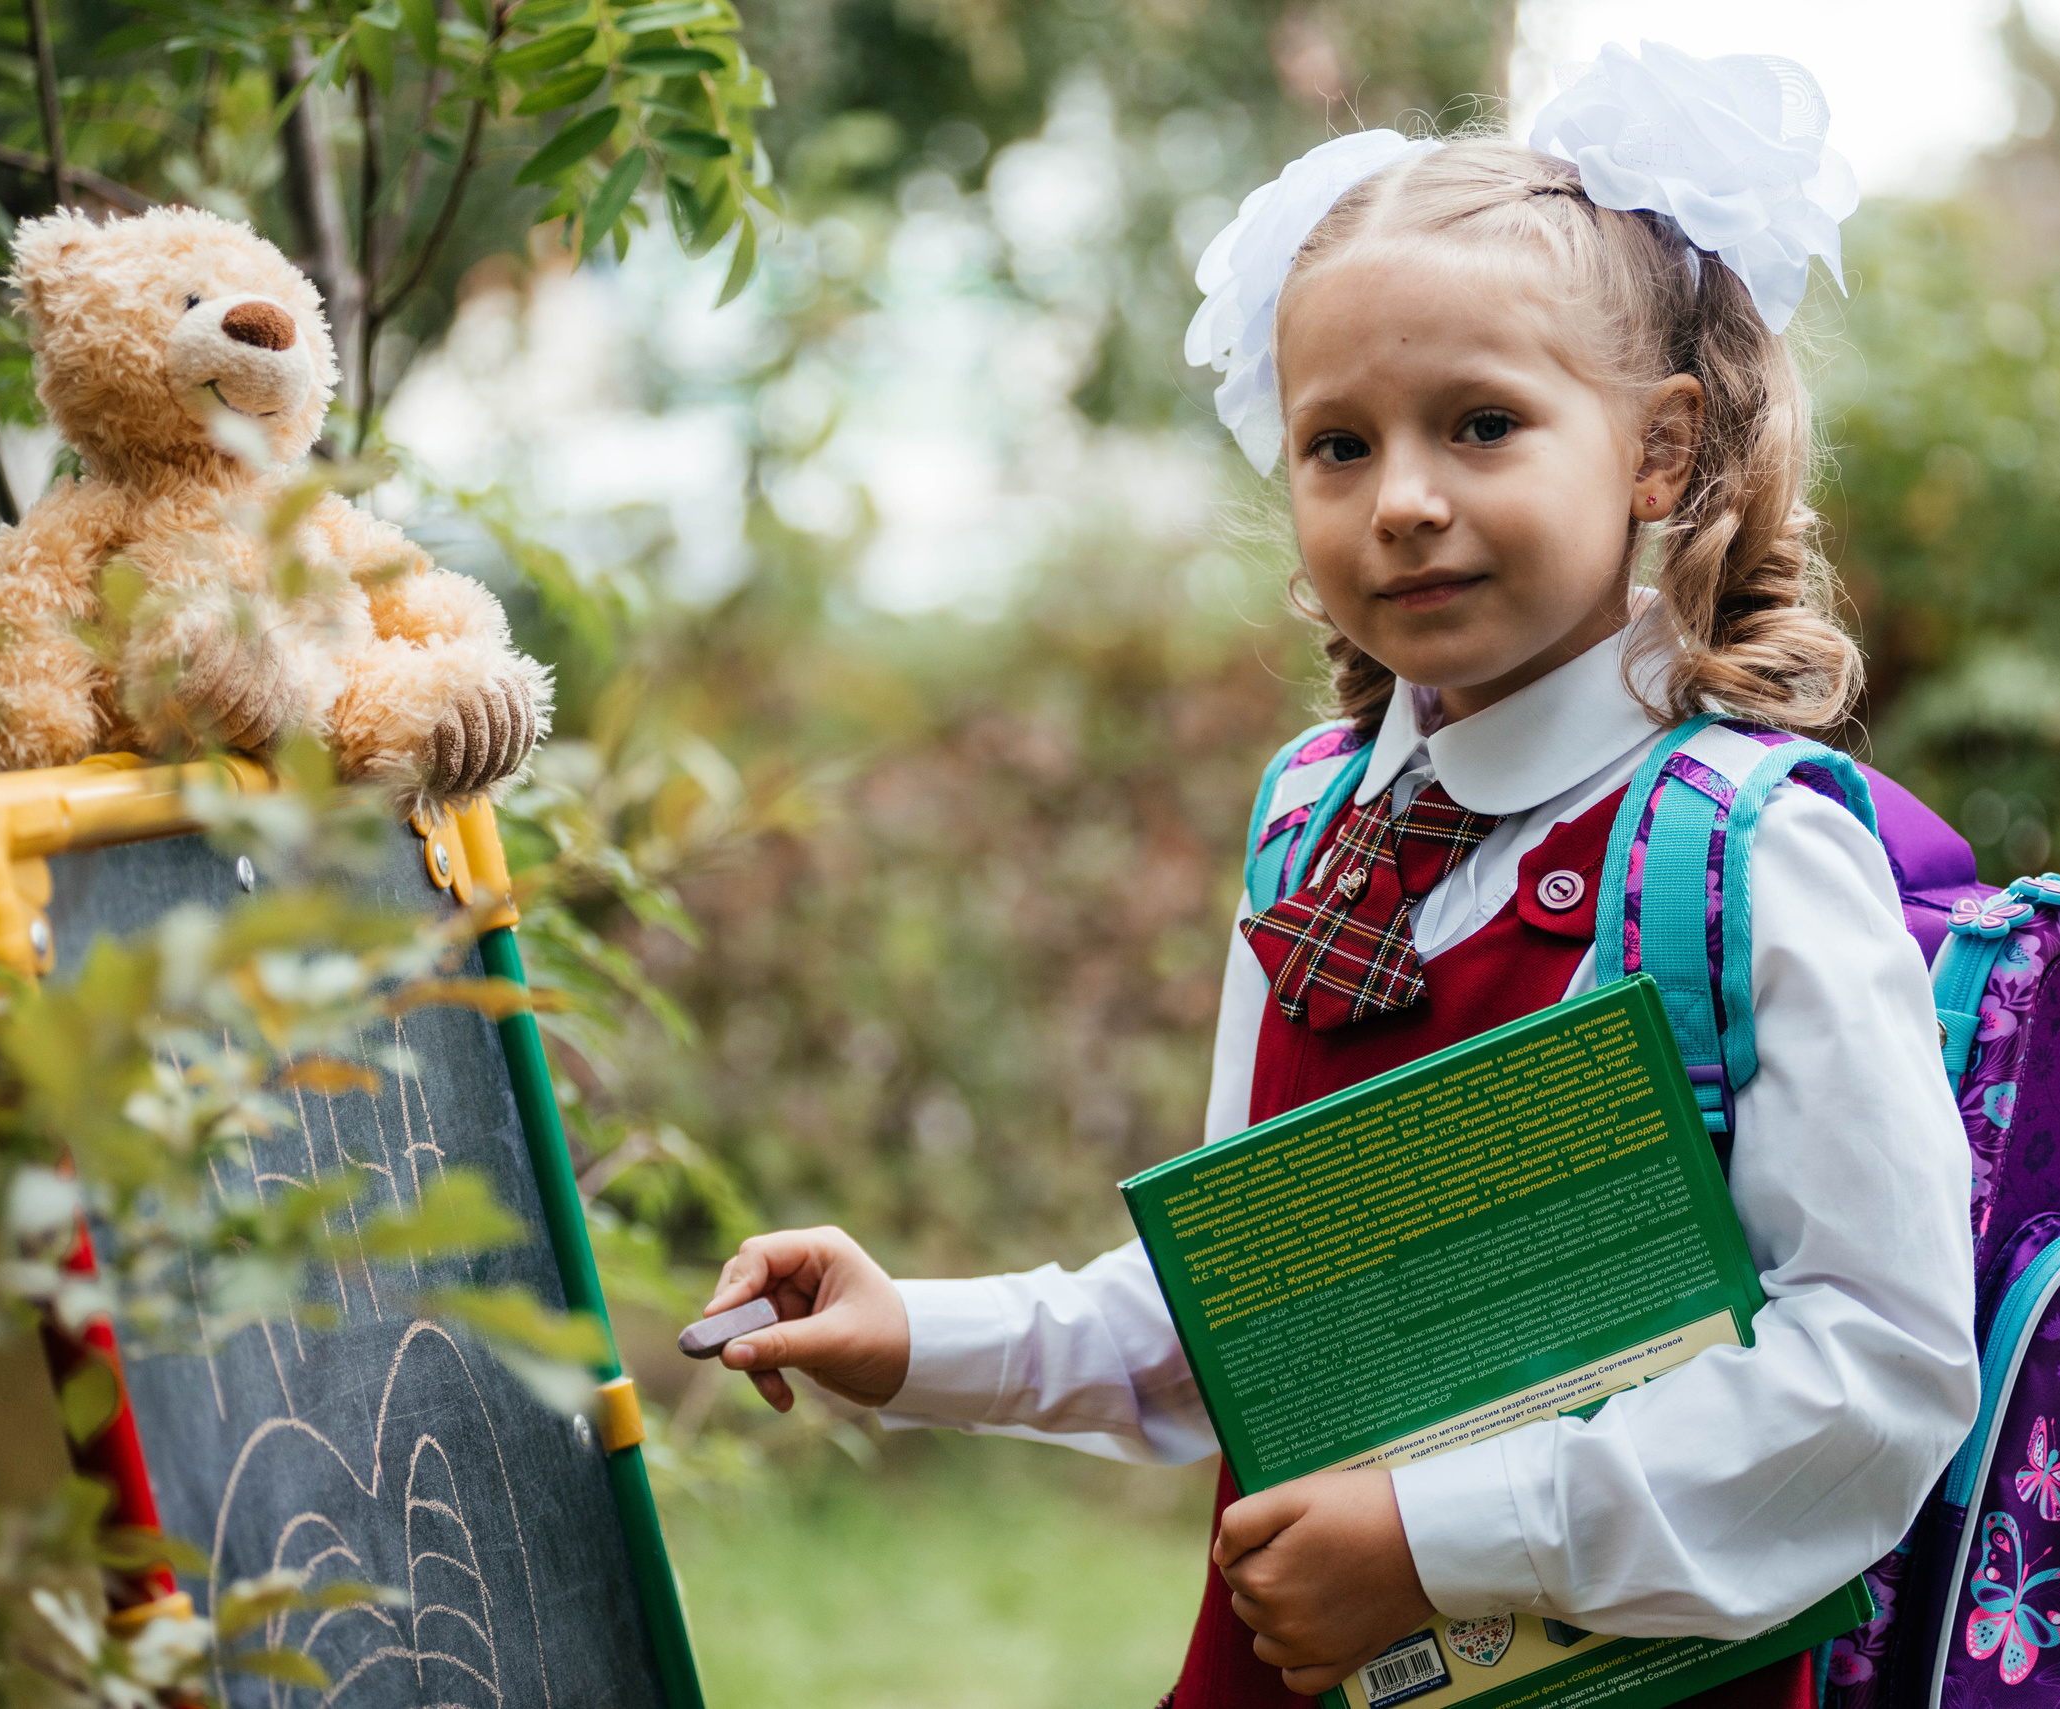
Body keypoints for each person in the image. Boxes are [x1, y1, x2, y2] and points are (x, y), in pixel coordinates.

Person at [695, 43, 1980, 1709]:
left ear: (1662, 453)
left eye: (1484, 424)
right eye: (1339, 446)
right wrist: (917, 1337)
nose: (1407, 502)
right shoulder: (1312, 822)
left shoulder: (1748, 853)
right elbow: (1256, 1312)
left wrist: (1443, 1538)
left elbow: (1872, 1374)